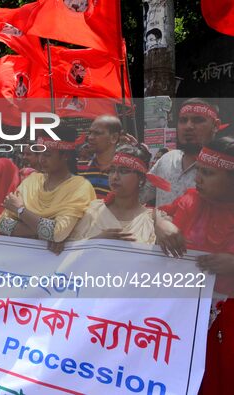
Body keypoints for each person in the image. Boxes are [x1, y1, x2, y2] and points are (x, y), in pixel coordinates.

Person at [154, 135, 234, 394]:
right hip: (186, 314)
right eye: (198, 169)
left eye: (208, 173)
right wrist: (162, 224)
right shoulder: (190, 200)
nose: (198, 178)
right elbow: (157, 212)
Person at [0, 128, 96, 252]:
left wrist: (20, 210)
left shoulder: (80, 187)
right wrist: (43, 232)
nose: (41, 160)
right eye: (39, 153)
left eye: (47, 154)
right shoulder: (31, 181)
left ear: (65, 156)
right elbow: (1, 224)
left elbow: (57, 232)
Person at [69, 144, 156, 244]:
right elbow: (70, 252)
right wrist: (96, 242)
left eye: (123, 171)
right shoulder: (92, 211)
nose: (115, 177)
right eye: (112, 170)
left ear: (141, 178)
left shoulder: (151, 220)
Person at [141, 99, 221, 207]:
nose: (188, 126)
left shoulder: (224, 169)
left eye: (198, 120)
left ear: (215, 125)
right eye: (183, 120)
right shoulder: (167, 159)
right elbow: (138, 197)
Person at [77, 115, 122, 199]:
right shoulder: (79, 167)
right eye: (90, 133)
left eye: (97, 133)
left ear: (114, 137)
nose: (90, 137)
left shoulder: (125, 172)